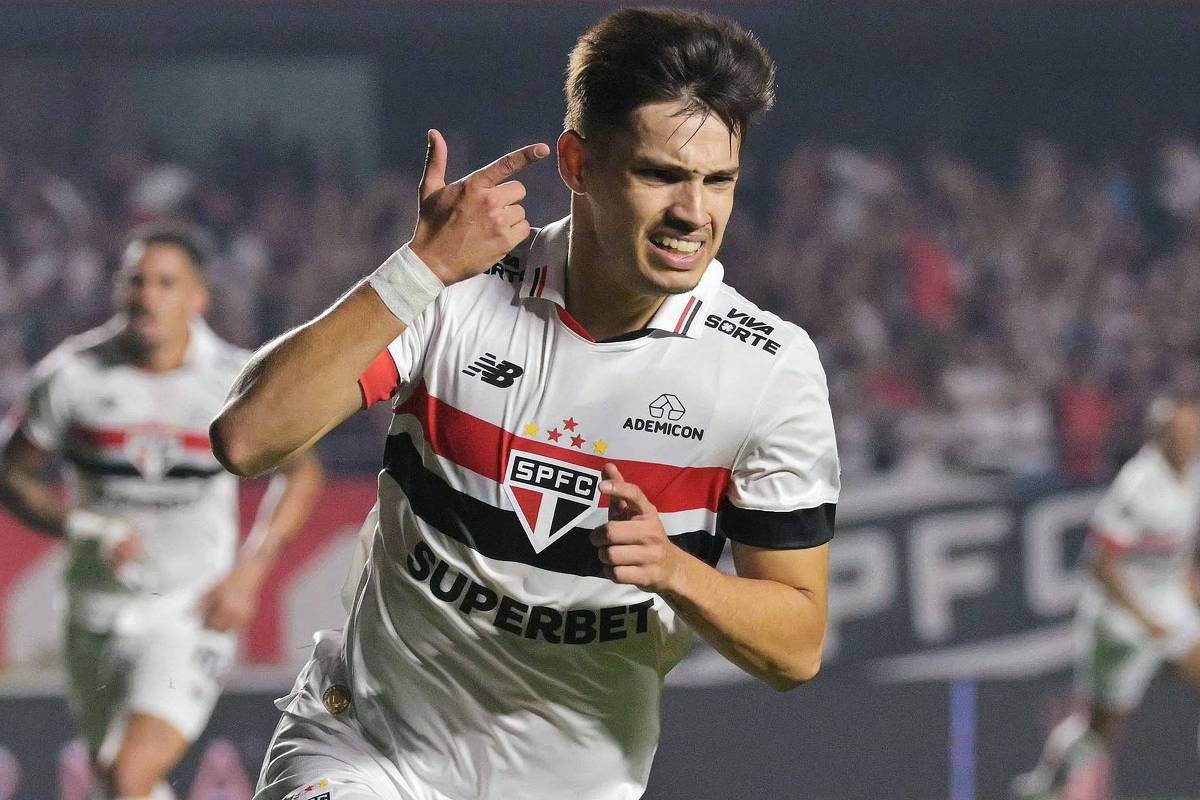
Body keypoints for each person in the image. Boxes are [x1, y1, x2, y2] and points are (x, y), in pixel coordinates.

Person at [212, 8, 839, 799]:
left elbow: (796, 647)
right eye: (659, 175)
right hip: (368, 749)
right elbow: (248, 438)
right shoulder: (457, 285)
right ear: (578, 164)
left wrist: (677, 573)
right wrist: (418, 270)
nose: (693, 212)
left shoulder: (769, 368)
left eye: (719, 181)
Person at [0, 223, 324, 800]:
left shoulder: (235, 379)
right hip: (94, 609)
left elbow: (302, 473)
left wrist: (249, 572)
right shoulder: (71, 375)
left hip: (188, 609)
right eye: (136, 281)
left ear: (199, 298)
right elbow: (10, 473)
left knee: (128, 772)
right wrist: (80, 525)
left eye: (166, 283)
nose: (147, 296)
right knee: (117, 781)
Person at [1011, 398, 1200, 800]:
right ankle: (1044, 787)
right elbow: (1101, 564)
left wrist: (1186, 588)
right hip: (1120, 617)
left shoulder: (1194, 474)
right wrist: (1146, 621)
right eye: (1181, 431)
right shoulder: (1138, 485)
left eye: (1194, 429)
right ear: (1160, 436)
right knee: (1102, 730)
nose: (1190, 438)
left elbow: (1177, 547)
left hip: (1166, 604)